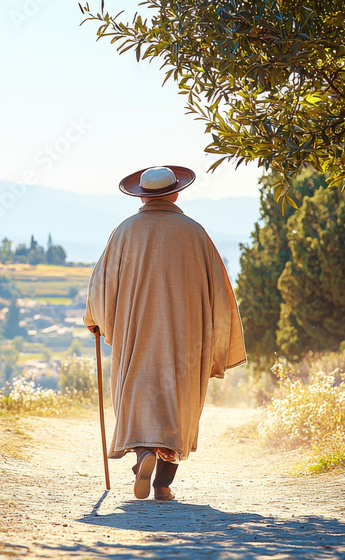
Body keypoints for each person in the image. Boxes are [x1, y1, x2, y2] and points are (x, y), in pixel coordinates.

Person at [83, 165, 246, 501]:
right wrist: (216, 339)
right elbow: (219, 291)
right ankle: (163, 485)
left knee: (139, 395)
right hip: (186, 337)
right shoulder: (194, 233)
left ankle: (143, 453)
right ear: (175, 193)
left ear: (142, 196)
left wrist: (96, 319)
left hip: (135, 334)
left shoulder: (124, 232)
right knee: (178, 401)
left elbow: (101, 284)